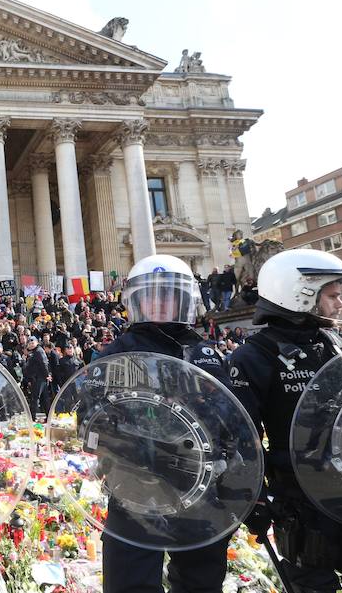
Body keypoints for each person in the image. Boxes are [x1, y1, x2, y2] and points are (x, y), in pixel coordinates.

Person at [228, 249, 342, 593]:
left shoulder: (336, 342)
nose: (340, 305)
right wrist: (252, 498)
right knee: (314, 587)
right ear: (300, 294)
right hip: (302, 499)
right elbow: (241, 437)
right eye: (333, 296)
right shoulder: (254, 357)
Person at [94, 254, 234, 593]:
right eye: (151, 295)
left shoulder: (205, 351)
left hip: (200, 485)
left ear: (183, 300)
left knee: (201, 580)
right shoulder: (117, 352)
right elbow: (92, 415)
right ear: (137, 301)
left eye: (168, 294)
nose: (159, 303)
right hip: (135, 485)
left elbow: (229, 415)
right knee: (130, 581)